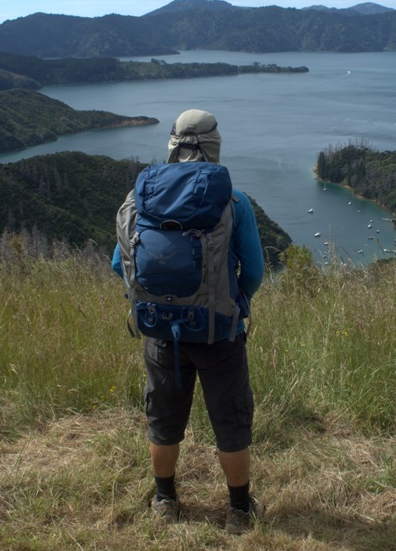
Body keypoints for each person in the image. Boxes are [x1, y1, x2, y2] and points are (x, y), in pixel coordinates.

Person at [111, 109, 265, 534]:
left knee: (163, 417)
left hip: (160, 329)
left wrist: (158, 297)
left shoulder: (139, 199)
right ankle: (238, 510)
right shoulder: (233, 201)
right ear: (215, 145)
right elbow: (253, 271)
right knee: (230, 419)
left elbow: (117, 264)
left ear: (172, 144)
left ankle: (165, 500)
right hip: (220, 332)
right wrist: (234, 302)